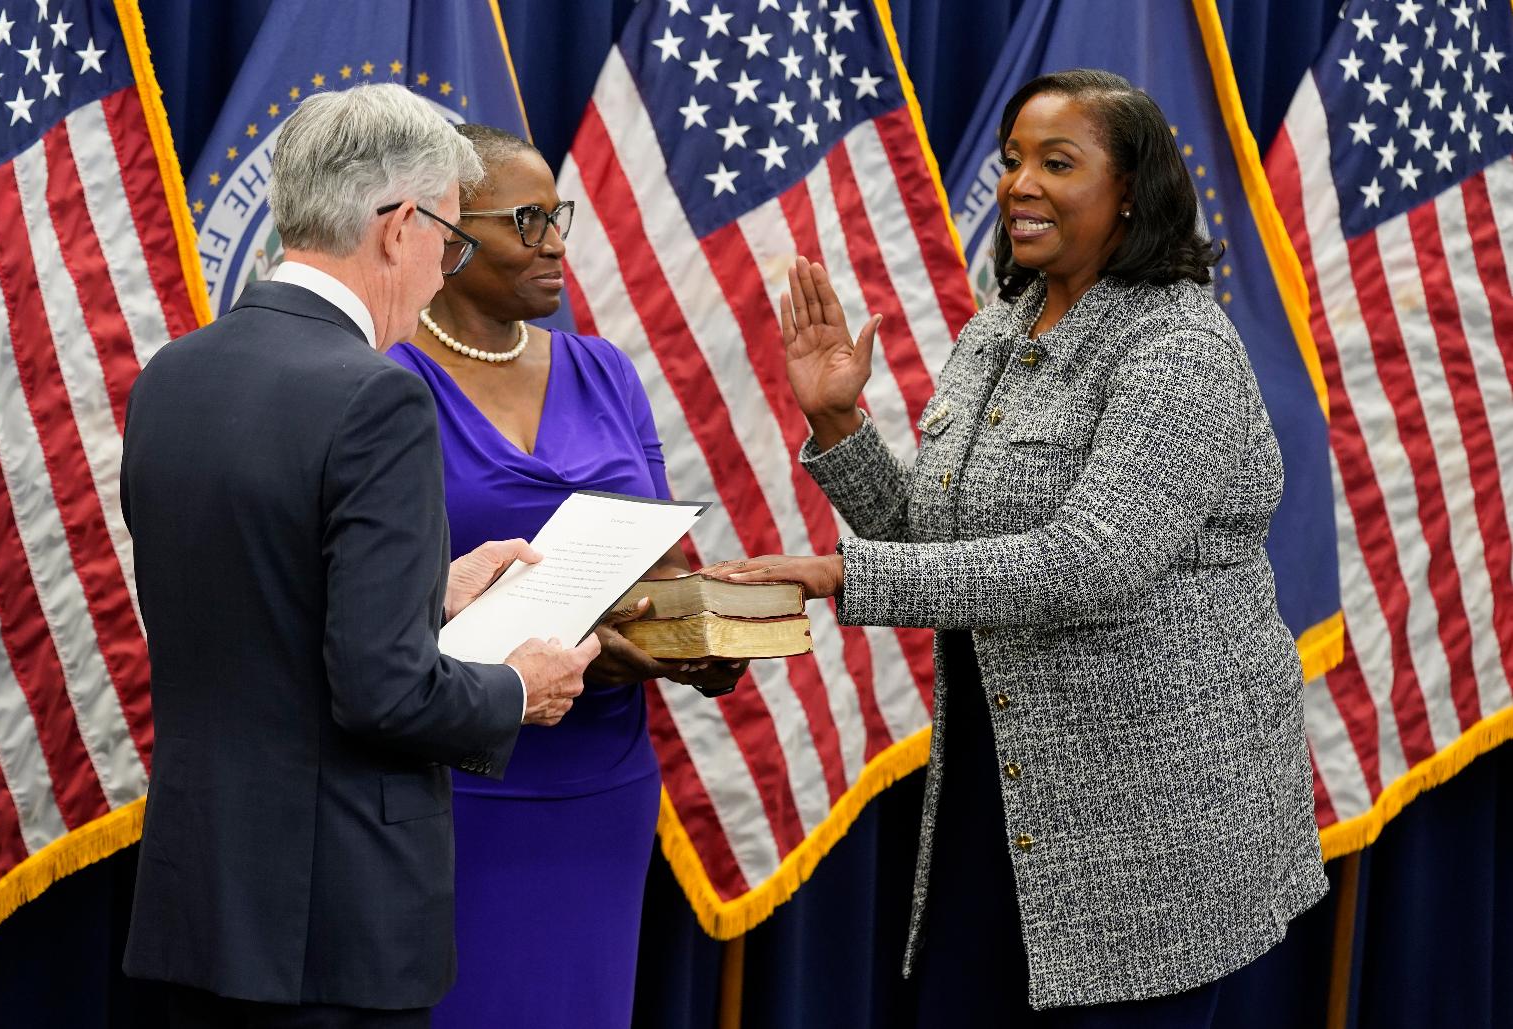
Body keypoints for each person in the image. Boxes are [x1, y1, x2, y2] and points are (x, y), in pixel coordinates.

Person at [709, 69, 1329, 1027]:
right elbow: (929, 540)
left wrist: (841, 576)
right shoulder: (995, 326)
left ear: (1130, 192)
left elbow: (1091, 561)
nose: (1019, 184)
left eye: (1056, 162)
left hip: (1149, 827)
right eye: (1011, 162)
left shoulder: (1179, 345)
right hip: (1002, 797)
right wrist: (837, 421)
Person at [120, 84, 600, 1028]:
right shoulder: (375, 398)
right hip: (330, 928)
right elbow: (385, 693)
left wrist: (430, 592)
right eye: (449, 241)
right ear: (396, 227)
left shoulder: (171, 372)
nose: (441, 272)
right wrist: (517, 686)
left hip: (196, 903)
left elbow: (254, 604)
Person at [385, 124, 747, 1029]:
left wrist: (700, 642)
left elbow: (660, 564)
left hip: (600, 782)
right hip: (452, 783)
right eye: (528, 220)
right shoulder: (381, 380)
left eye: (560, 217)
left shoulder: (604, 369)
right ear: (444, 231)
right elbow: (363, 602)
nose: (556, 245)